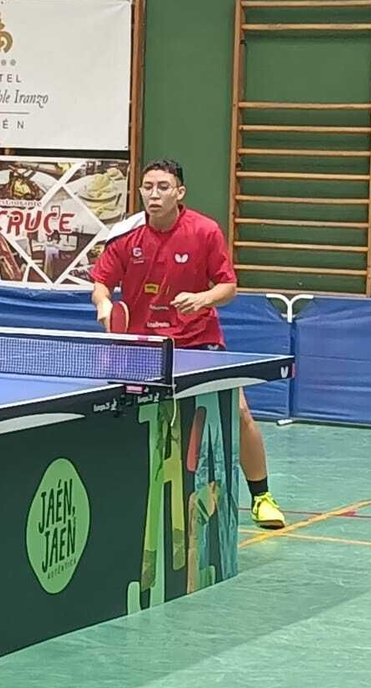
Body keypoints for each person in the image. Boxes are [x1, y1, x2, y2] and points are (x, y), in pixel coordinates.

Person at [88, 158, 286, 530]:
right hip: (143, 346)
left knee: (240, 413)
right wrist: (103, 303)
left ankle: (261, 497)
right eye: (148, 187)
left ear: (180, 193)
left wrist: (203, 299)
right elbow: (102, 283)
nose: (154, 194)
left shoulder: (204, 231)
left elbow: (228, 287)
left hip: (198, 341)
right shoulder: (125, 236)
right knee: (117, 417)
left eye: (163, 187)